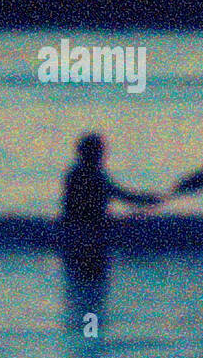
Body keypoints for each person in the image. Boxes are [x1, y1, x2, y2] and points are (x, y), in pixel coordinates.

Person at [59, 133, 163, 330]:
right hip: (89, 232)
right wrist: (146, 200)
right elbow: (123, 196)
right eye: (100, 151)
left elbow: (117, 197)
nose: (102, 155)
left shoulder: (75, 174)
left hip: (83, 229)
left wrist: (144, 201)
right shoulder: (92, 176)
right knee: (95, 276)